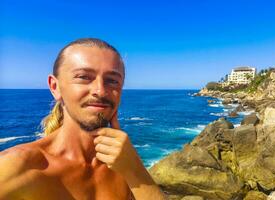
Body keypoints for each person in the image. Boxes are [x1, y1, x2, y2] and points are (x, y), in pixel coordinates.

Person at [0, 38, 167, 200]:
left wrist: (135, 171)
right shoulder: (14, 169)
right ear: (55, 87)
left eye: (112, 80)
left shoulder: (123, 164)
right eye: (83, 77)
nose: (100, 91)